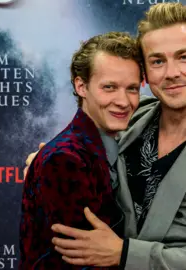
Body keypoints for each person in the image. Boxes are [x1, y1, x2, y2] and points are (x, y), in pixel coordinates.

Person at [24, 3, 186, 270]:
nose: (172, 73)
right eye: (158, 61)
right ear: (145, 74)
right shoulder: (132, 116)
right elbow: (82, 154)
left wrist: (124, 254)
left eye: (184, 57)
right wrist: (44, 164)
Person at [18, 31, 143, 269]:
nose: (123, 101)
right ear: (81, 86)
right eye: (109, 87)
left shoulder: (112, 146)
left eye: (132, 89)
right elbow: (80, 263)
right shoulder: (66, 160)